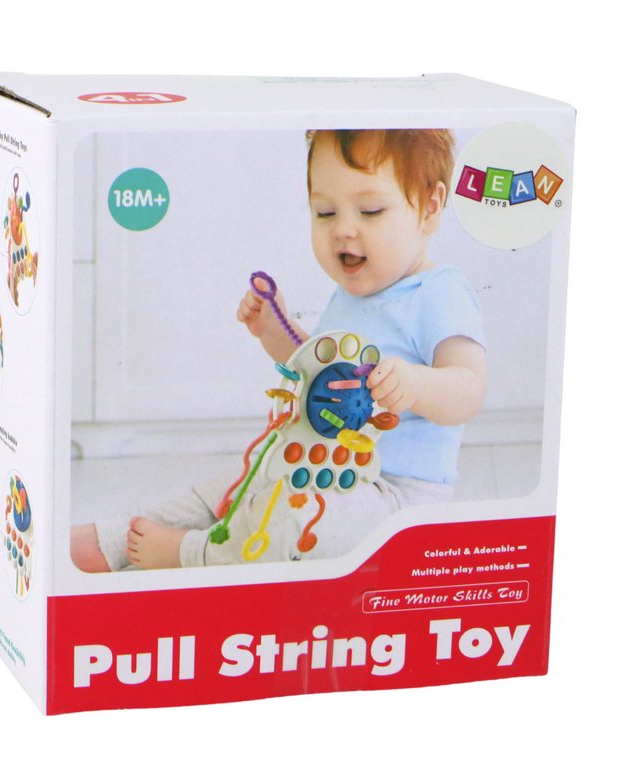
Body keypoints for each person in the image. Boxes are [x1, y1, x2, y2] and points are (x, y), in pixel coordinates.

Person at [71, 129, 486, 572]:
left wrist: (416, 384)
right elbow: (313, 377)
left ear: (429, 206)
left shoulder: (439, 293)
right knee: (236, 483)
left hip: (394, 497)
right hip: (324, 466)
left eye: (370, 211)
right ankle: (113, 538)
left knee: (292, 517)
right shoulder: (352, 295)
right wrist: (273, 329)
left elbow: (470, 387)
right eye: (325, 212)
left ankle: (191, 553)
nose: (343, 230)